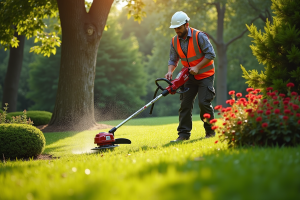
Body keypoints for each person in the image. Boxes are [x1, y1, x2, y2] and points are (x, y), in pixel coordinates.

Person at [165, 11, 216, 142]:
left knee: (204, 103)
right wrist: (170, 71)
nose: (176, 30)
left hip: (205, 75)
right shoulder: (174, 41)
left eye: (179, 28)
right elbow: (173, 59)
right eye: (175, 28)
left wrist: (198, 67)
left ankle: (210, 132)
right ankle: (183, 135)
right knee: (185, 104)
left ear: (186, 25)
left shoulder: (199, 36)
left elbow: (211, 54)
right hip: (188, 77)